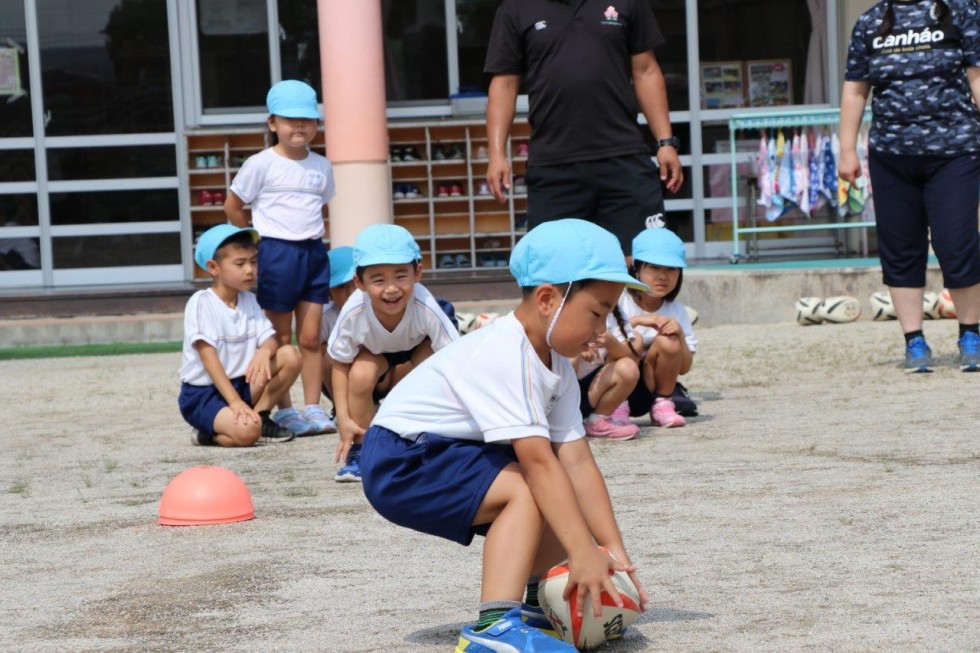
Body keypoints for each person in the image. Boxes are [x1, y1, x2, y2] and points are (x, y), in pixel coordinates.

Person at [359, 219, 649, 652]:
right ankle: (493, 629)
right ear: (549, 298)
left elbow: (577, 461)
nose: (602, 328)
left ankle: (537, 605)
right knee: (533, 488)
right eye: (597, 311)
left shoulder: (557, 367)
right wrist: (581, 550)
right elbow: (537, 463)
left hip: (441, 452)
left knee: (556, 488)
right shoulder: (505, 353)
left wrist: (611, 551)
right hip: (402, 459)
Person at [839, 0, 980, 373]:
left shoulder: (959, 11)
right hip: (891, 157)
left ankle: (970, 334)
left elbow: (977, 77)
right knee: (900, 247)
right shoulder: (870, 22)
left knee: (957, 241)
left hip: (954, 152)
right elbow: (855, 90)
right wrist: (846, 150)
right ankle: (914, 340)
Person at [483, 0, 683, 257]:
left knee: (639, 263)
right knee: (555, 269)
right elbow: (504, 84)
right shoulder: (516, 8)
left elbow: (646, 70)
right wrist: (496, 153)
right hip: (554, 166)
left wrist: (665, 143)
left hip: (623, 157)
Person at [224, 79, 337, 434]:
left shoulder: (323, 166)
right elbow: (233, 205)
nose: (299, 126)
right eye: (290, 119)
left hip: (314, 252)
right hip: (275, 252)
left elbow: (319, 207)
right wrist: (256, 244)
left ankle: (314, 407)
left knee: (312, 337)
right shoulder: (260, 164)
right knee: (278, 336)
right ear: (272, 123)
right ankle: (284, 409)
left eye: (307, 119)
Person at [327, 224, 460, 483]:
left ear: (417, 272)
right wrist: (343, 419)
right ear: (359, 282)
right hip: (375, 353)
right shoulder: (353, 312)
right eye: (378, 279)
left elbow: (454, 361)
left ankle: (432, 439)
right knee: (360, 373)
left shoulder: (426, 307)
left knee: (432, 367)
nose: (391, 288)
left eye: (401, 276)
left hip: (419, 346)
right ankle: (362, 449)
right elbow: (340, 365)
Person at [178, 224, 301, 447]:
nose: (250, 270)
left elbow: (270, 339)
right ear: (214, 268)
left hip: (241, 385)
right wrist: (234, 402)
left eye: (253, 262)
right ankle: (207, 433)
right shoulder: (201, 302)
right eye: (240, 263)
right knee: (247, 433)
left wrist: (264, 352)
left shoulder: (249, 300)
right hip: (204, 395)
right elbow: (208, 357)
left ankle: (260, 415)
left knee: (291, 355)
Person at [619, 227, 697, 428]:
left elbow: (685, 367)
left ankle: (663, 404)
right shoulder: (620, 301)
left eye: (671, 269)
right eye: (654, 267)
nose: (663, 276)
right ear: (636, 268)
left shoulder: (677, 311)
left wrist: (678, 333)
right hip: (618, 382)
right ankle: (615, 408)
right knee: (633, 338)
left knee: (669, 340)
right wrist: (637, 321)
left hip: (652, 385)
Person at [573, 306, 643, 440]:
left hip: (591, 390)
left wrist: (612, 343)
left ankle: (597, 420)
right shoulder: (569, 310)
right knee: (571, 360)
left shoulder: (616, 314)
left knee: (628, 367)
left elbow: (629, 357)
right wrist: (577, 348)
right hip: (563, 392)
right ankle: (561, 421)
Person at [319, 245, 357, 418]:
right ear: (329, 292)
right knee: (326, 355)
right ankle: (340, 408)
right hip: (341, 381)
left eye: (354, 284)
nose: (350, 292)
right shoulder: (326, 316)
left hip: (378, 376)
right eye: (341, 287)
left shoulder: (376, 308)